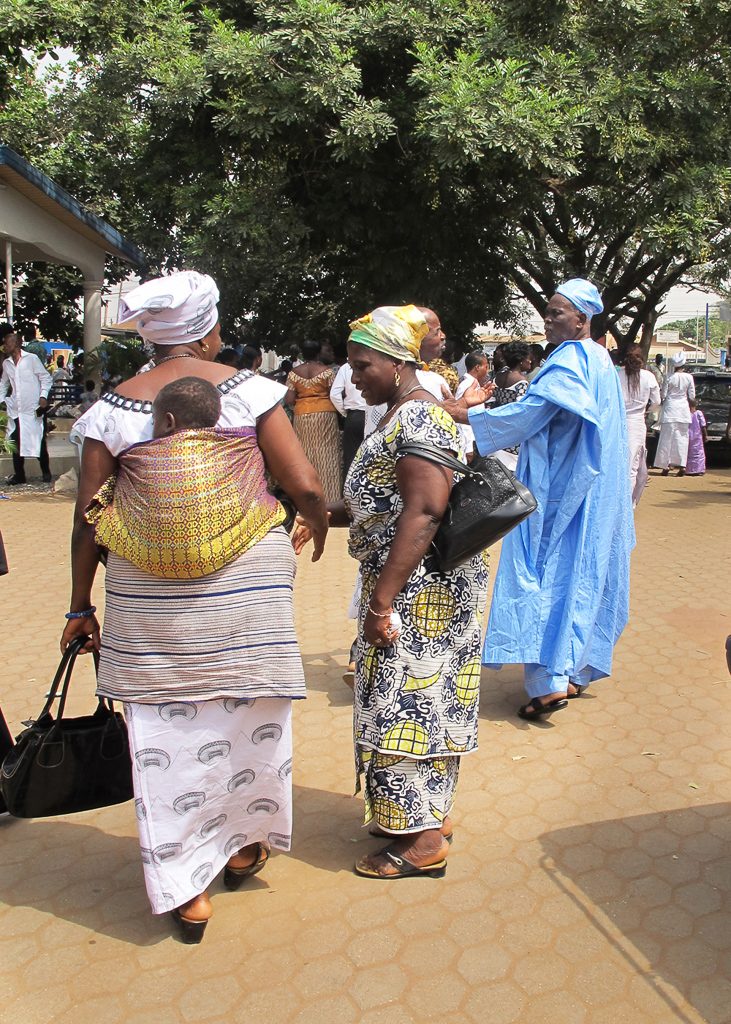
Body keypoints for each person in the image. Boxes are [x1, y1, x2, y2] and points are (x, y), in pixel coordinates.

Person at [62, 271, 328, 943]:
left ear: (152, 339)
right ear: (209, 330)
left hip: (149, 603)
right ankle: (241, 847)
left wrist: (78, 607)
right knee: (247, 719)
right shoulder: (253, 392)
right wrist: (315, 523)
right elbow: (302, 484)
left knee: (166, 738)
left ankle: (187, 891)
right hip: (247, 595)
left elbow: (88, 521)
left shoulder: (109, 412)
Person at [295, 305, 490, 879]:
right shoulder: (394, 415)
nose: (353, 377)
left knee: (411, 702)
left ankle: (424, 843)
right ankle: (422, 815)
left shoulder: (420, 419)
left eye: (363, 364)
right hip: (408, 578)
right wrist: (322, 512)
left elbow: (425, 510)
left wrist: (382, 602)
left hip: (423, 589)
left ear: (399, 360)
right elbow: (380, 500)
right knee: (410, 701)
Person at [444, 279, 634, 721]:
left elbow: (531, 416)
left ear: (583, 319)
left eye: (558, 312)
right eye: (547, 312)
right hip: (597, 488)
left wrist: (468, 415)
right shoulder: (600, 358)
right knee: (587, 569)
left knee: (543, 567)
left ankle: (548, 684)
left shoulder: (569, 361)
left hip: (560, 489)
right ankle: (574, 669)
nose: (548, 319)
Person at [286, 341, 342, 501]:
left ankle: (309, 499)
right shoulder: (327, 372)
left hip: (302, 415)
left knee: (305, 453)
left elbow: (289, 399)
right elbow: (334, 395)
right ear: (319, 353)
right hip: (325, 415)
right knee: (328, 455)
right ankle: (330, 500)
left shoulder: (293, 373)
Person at [0, 323, 53, 484]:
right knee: (15, 441)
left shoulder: (32, 359)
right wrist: (2, 400)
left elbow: (46, 378)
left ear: (16, 344)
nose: (5, 346)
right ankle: (19, 475)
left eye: (7, 343)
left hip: (33, 408)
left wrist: (43, 396)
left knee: (39, 439)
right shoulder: (6, 364)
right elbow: (3, 384)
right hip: (17, 409)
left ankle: (46, 472)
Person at [617, 343, 661, 507]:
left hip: (618, 423)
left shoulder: (617, 375)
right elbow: (657, 402)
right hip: (636, 424)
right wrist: (646, 410)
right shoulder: (648, 377)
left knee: (621, 465)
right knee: (633, 468)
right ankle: (627, 505)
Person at [490, 340, 532, 471]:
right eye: (528, 358)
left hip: (497, 433)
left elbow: (491, 402)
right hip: (513, 439)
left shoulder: (498, 377)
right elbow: (521, 411)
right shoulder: (521, 382)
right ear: (521, 360)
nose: (530, 361)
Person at [654, 351, 695, 476]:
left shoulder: (669, 376)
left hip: (670, 410)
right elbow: (692, 396)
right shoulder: (689, 377)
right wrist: (692, 407)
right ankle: (682, 466)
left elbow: (663, 395)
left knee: (667, 439)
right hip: (683, 411)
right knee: (682, 439)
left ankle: (665, 466)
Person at [329, 358, 368, 478]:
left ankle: (349, 492)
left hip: (354, 416)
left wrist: (345, 413)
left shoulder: (346, 368)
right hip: (374, 415)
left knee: (351, 457)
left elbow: (334, 394)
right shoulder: (375, 364)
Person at [455, 351, 489, 460]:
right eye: (486, 367)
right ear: (477, 367)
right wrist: (469, 447)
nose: (487, 371)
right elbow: (460, 416)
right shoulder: (467, 385)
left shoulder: (474, 384)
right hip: (469, 443)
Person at [685, 398, 707, 476]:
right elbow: (703, 425)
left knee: (689, 453)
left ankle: (690, 470)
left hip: (688, 436)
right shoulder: (699, 413)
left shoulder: (686, 414)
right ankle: (699, 469)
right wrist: (705, 435)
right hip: (698, 436)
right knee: (698, 452)